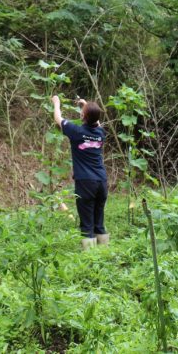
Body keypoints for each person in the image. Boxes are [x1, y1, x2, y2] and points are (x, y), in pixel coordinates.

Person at [51, 96, 109, 250]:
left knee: (87, 224)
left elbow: (58, 118)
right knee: (99, 223)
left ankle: (89, 259)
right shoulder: (101, 133)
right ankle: (104, 255)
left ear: (83, 116)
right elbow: (97, 123)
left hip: (85, 182)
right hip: (102, 182)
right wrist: (86, 106)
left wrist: (56, 103)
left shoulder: (76, 132)